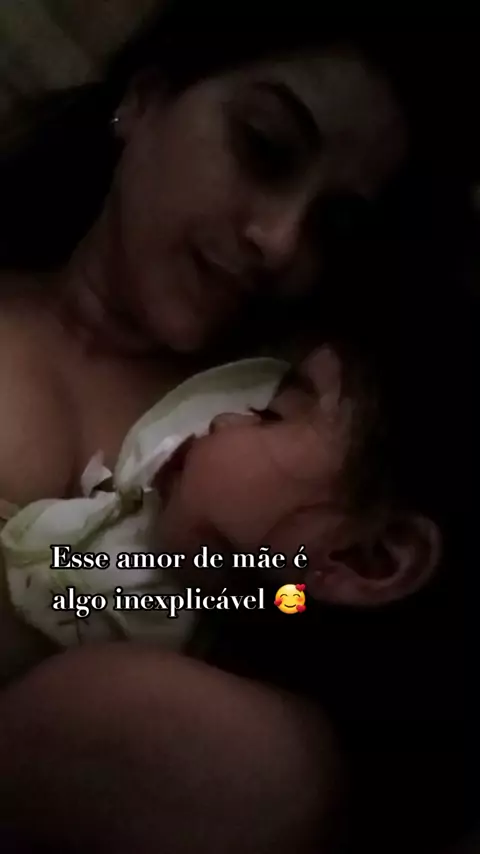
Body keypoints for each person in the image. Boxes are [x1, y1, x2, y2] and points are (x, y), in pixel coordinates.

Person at [0, 2, 475, 851]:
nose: (282, 241)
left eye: (334, 223)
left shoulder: (327, 426)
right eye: (265, 147)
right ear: (145, 99)